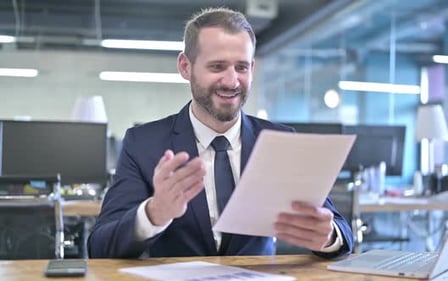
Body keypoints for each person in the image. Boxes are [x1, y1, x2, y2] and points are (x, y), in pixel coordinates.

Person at [87, 7, 354, 259]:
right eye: (217, 67)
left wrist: (328, 236)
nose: (231, 81)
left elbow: (340, 230)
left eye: (242, 67)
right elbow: (99, 246)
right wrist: (154, 213)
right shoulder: (144, 143)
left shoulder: (281, 141)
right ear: (185, 67)